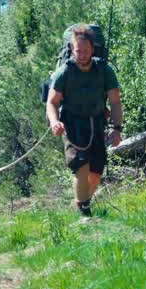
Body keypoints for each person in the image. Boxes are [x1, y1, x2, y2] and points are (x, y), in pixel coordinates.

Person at [44, 25, 121, 216]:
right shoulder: (64, 72)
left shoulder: (105, 71)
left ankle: (80, 202)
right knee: (80, 165)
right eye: (79, 51)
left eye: (86, 51)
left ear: (93, 49)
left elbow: (115, 102)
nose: (83, 55)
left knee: (96, 171)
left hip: (96, 123)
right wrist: (54, 121)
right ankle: (84, 213)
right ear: (72, 49)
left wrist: (117, 128)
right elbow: (52, 102)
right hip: (71, 124)